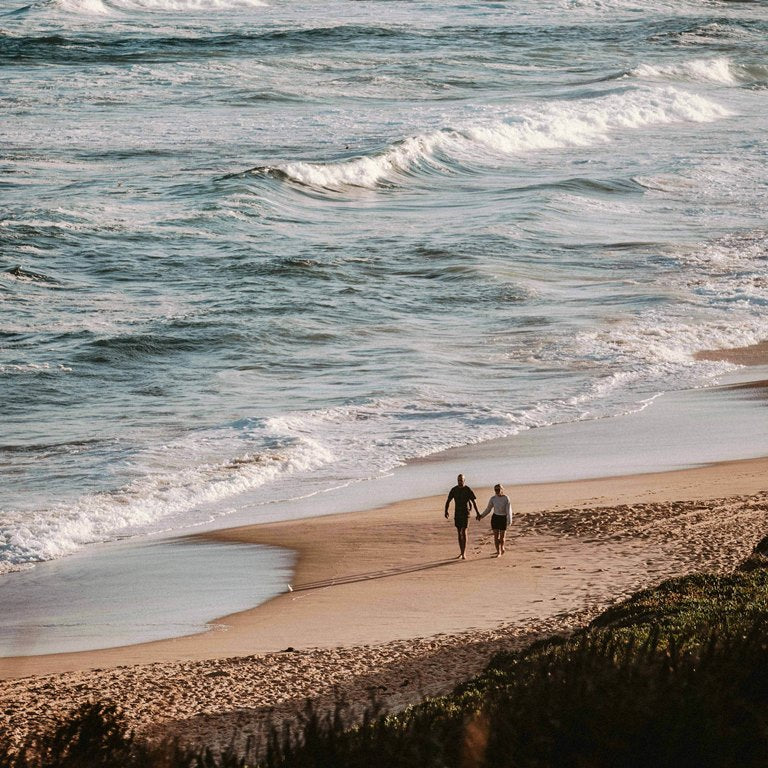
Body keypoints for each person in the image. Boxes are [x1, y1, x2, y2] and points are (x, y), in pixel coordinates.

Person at [444, 473, 478, 560]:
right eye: (459, 480)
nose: (460, 482)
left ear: (464, 480)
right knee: (459, 532)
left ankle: (464, 553)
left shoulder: (468, 489)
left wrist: (477, 513)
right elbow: (448, 501)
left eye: (461, 480)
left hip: (466, 513)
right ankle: (461, 552)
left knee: (464, 531)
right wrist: (446, 511)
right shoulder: (454, 490)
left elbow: (474, 501)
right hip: (457, 513)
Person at [477, 484, 511, 557]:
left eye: (498, 489)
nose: (497, 491)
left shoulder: (506, 498)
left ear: (502, 490)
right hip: (495, 518)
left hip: (503, 518)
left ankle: (502, 547)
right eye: (495, 489)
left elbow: (509, 510)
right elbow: (488, 509)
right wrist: (481, 516)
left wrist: (509, 520)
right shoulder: (493, 499)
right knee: (496, 537)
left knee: (502, 538)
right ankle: (498, 552)